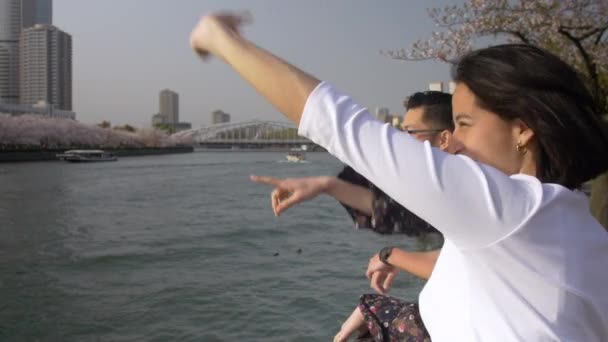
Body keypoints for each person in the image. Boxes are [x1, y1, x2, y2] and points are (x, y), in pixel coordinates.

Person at [189, 14, 608, 341]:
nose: (451, 142)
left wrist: (223, 41)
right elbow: (474, 268)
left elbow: (341, 126)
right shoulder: (572, 226)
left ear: (522, 128)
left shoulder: (509, 208)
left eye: (463, 123)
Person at [252, 91, 453, 341]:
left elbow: (458, 266)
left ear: (444, 138)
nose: (402, 140)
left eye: (411, 132)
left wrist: (392, 256)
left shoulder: (469, 193)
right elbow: (392, 212)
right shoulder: (450, 190)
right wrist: (326, 185)